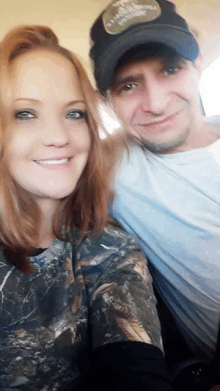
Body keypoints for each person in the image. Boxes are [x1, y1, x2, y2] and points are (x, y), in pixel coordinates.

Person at [0, 25, 174, 391]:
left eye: (75, 114)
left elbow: (136, 366)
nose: (59, 136)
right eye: (25, 114)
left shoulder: (110, 251)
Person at [90, 0, 220, 367]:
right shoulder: (109, 163)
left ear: (195, 67)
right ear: (107, 101)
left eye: (170, 69)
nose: (157, 104)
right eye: (128, 85)